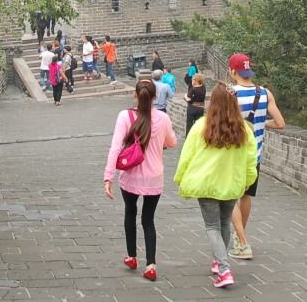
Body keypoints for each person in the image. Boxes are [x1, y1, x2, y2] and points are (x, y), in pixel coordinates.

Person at [174, 82, 259, 289]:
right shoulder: (243, 130)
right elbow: (251, 160)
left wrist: (180, 177)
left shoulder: (201, 126)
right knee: (223, 224)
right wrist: (248, 180)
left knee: (212, 226)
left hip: (207, 183)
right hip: (231, 184)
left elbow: (187, 156)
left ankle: (224, 268)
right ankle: (218, 261)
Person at [104, 79, 178, 282]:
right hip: (154, 177)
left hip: (130, 176)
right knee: (148, 220)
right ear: (155, 98)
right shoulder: (163, 118)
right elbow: (172, 143)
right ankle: (151, 265)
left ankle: (131, 256)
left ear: (135, 95)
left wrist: (108, 176)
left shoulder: (125, 116)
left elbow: (115, 147)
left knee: (130, 212)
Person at [228, 53, 286, 261]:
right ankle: (240, 236)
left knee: (228, 197)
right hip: (255, 156)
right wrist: (261, 124)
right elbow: (280, 123)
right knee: (245, 196)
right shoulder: (264, 93)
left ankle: (243, 243)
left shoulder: (229, 93)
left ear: (233, 71)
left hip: (233, 155)